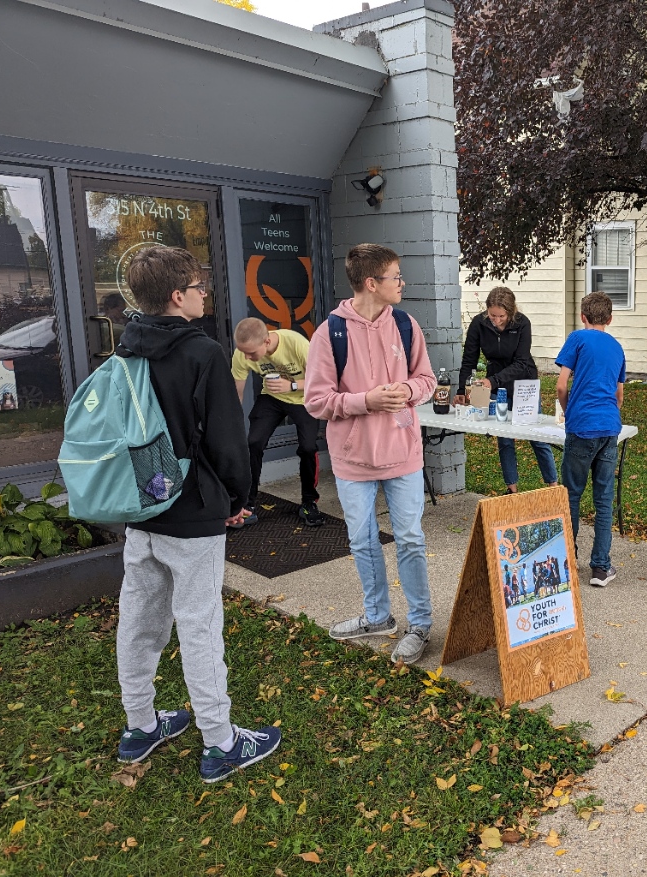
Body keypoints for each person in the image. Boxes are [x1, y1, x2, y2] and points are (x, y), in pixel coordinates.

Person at [112, 245, 280, 783]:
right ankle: (221, 741)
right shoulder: (202, 353)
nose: (206, 292)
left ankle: (140, 726)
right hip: (193, 514)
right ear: (177, 296)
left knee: (138, 624)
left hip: (142, 508)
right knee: (200, 625)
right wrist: (236, 500)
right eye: (198, 285)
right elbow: (230, 444)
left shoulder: (125, 349)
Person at [304, 243, 437, 665]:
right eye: (395, 277)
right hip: (353, 460)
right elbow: (316, 400)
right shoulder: (330, 333)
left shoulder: (405, 324)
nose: (402, 283)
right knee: (362, 541)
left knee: (411, 539)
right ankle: (378, 616)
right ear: (370, 283)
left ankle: (420, 623)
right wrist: (367, 400)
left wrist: (409, 391)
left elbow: (427, 379)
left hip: (402, 453)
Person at [456, 286, 558, 493]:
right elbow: (469, 359)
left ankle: (553, 485)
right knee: (503, 435)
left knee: (535, 435)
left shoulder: (522, 323)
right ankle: (511, 488)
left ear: (510, 312)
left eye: (501, 316)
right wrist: (461, 389)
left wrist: (492, 381)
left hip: (524, 382)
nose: (496, 320)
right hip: (497, 384)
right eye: (492, 316)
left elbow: (521, 362)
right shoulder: (479, 324)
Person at [556, 291, 626, 587]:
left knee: (571, 494)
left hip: (581, 426)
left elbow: (561, 385)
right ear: (609, 319)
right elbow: (619, 396)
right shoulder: (618, 348)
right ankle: (600, 567)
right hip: (609, 428)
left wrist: (568, 409)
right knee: (604, 498)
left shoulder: (577, 339)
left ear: (583, 316)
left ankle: (567, 562)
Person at [230, 318, 324, 527]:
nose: (247, 357)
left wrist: (291, 386)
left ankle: (309, 502)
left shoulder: (296, 343)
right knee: (253, 443)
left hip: (303, 398)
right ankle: (248, 505)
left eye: (251, 353)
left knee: (308, 447)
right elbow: (237, 390)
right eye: (243, 352)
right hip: (271, 398)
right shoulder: (242, 353)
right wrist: (232, 424)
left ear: (266, 341)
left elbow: (321, 380)